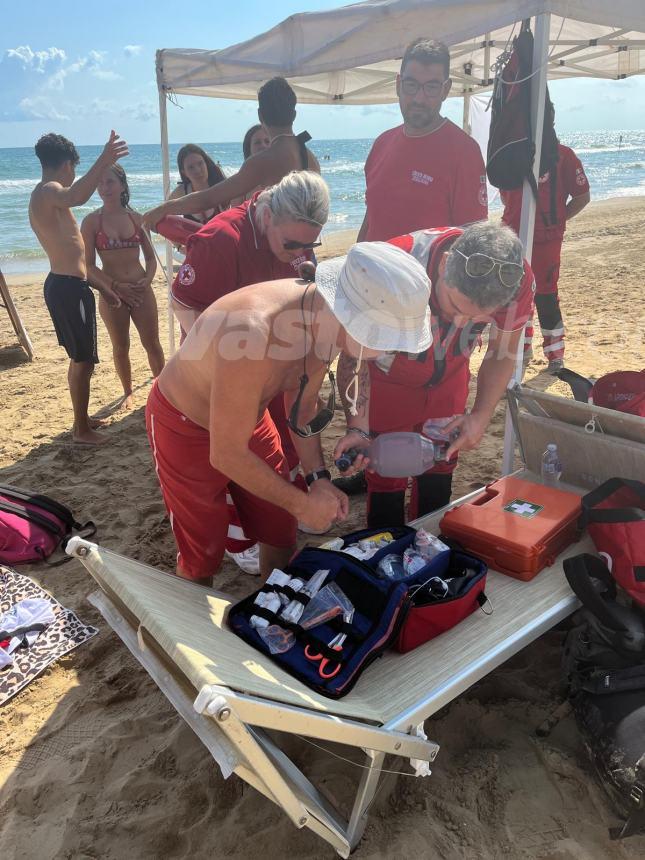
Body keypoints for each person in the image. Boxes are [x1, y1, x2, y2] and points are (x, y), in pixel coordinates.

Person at [145, 242, 432, 585]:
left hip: (248, 416)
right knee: (201, 550)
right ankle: (194, 629)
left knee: (279, 526)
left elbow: (302, 408)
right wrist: (302, 504)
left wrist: (318, 480)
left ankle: (273, 598)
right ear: (350, 316)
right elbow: (226, 454)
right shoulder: (252, 335)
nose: (389, 351)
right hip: (183, 422)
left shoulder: (321, 317)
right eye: (386, 340)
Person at [170, 170, 329, 574]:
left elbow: (303, 410)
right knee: (203, 537)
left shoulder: (298, 247)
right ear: (265, 216)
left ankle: (270, 575)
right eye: (291, 244)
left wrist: (319, 479)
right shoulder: (221, 241)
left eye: (310, 245)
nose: (301, 255)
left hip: (261, 373)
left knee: (277, 515)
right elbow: (182, 304)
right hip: (203, 393)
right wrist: (230, 365)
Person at [334, 222, 535, 527]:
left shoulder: (515, 277)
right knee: (387, 470)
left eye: (477, 318)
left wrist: (481, 416)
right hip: (388, 381)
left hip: (450, 377)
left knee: (442, 461)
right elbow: (353, 355)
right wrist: (358, 428)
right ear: (442, 265)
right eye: (454, 305)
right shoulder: (393, 265)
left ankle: (429, 543)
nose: (460, 320)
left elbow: (502, 351)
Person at [29, 130, 128, 445]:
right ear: (67, 165)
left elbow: (77, 260)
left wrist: (105, 288)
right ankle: (80, 431)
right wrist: (105, 159)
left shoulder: (46, 197)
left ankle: (81, 420)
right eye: (74, 168)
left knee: (80, 358)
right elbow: (77, 196)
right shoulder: (50, 191)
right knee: (84, 360)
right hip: (67, 289)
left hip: (68, 285)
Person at [357, 38, 488, 243]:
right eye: (411, 85)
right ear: (399, 85)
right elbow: (371, 219)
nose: (419, 98)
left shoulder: (464, 152)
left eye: (431, 87)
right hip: (371, 273)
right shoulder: (382, 144)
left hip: (425, 275)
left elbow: (473, 242)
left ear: (445, 90)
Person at [143, 77, 320, 228]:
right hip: (304, 253)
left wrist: (163, 209)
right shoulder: (310, 158)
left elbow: (208, 198)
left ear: (260, 116)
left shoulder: (262, 161)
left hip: (275, 256)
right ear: (294, 114)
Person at [501, 110, 590, 373]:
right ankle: (522, 347)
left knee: (546, 296)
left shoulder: (562, 156)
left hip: (546, 243)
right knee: (515, 296)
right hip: (512, 239)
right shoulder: (509, 156)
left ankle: (555, 355)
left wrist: (557, 221)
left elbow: (582, 197)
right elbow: (505, 195)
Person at [81, 165, 165, 408]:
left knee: (152, 343)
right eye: (100, 184)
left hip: (140, 289)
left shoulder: (136, 219)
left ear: (122, 185)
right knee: (121, 346)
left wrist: (147, 280)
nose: (104, 188)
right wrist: (115, 286)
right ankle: (128, 391)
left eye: (110, 182)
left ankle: (160, 389)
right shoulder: (92, 222)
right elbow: (88, 265)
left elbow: (150, 258)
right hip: (112, 293)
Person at [167, 144, 227, 224]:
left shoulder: (221, 187)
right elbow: (165, 217)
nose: (198, 170)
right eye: (191, 167)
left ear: (206, 163)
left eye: (200, 163)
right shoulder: (181, 192)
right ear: (184, 172)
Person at [230, 124, 272, 205]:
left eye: (267, 141)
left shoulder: (284, 176)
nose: (263, 145)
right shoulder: (241, 183)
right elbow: (235, 213)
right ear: (249, 149)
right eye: (257, 142)